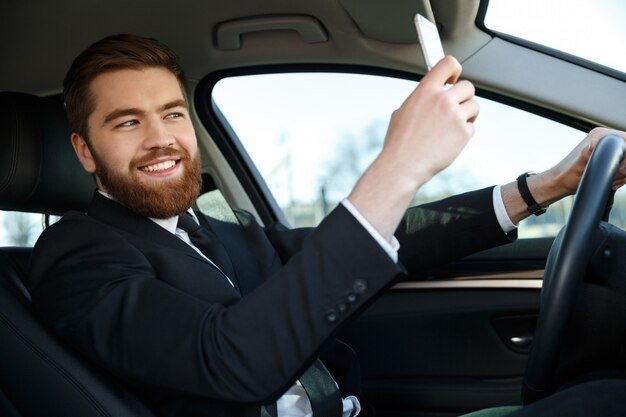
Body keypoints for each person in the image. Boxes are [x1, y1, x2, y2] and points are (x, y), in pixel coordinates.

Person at [28, 33, 626, 417]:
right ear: (85, 152)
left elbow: (383, 238)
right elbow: (230, 360)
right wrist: (400, 161)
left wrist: (542, 187)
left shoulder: (211, 231)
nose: (162, 138)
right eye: (127, 123)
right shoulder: (75, 255)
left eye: (172, 114)